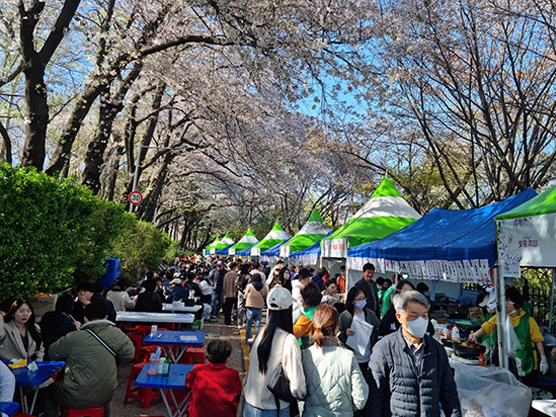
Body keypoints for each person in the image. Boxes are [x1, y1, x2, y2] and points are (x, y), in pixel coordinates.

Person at [368, 291, 462, 417]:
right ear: (399, 317)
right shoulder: (384, 349)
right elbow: (375, 397)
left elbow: (449, 394)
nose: (421, 321)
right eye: (414, 316)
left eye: (424, 316)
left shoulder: (437, 350)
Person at [43, 302, 135, 417]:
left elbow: (52, 353)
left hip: (75, 396)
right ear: (106, 317)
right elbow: (129, 355)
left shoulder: (74, 337)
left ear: (85, 319)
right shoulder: (117, 334)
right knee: (101, 390)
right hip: (106, 394)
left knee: (48, 392)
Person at [243, 287, 307, 416]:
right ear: (288, 310)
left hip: (250, 405)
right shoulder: (288, 340)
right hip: (274, 408)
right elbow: (297, 386)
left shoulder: (261, 333)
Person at [301, 304, 368, 416]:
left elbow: (299, 392)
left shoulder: (305, 355)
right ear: (336, 326)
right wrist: (346, 408)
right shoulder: (348, 356)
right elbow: (360, 397)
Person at [470, 286, 547, 383]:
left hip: (527, 361)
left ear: (517, 304)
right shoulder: (501, 317)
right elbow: (487, 327)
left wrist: (543, 359)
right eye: (504, 303)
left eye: (508, 303)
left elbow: (538, 340)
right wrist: (476, 335)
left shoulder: (529, 321)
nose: (505, 306)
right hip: (507, 361)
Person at [338, 286, 379, 414]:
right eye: (358, 299)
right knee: (355, 390)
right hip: (352, 358)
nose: (362, 301)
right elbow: (338, 335)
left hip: (368, 357)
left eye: (363, 298)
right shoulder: (345, 316)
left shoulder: (370, 314)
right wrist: (345, 334)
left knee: (367, 388)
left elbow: (378, 329)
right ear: (352, 301)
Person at [185, 339, 242, 417]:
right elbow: (240, 395)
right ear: (227, 358)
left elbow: (187, 383)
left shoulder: (198, 371)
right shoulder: (233, 375)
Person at [40, 294, 80, 360]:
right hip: (58, 353)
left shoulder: (47, 315)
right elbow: (74, 338)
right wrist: (76, 327)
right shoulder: (67, 323)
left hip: (44, 349)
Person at [293, 282, 322, 349]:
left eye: (302, 298)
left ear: (307, 300)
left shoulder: (306, 317)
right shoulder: (321, 311)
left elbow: (293, 333)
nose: (300, 301)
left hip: (308, 352)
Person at [244, 272, 268, 342]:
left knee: (249, 324)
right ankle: (257, 339)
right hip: (259, 307)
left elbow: (245, 295)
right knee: (257, 324)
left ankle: (248, 338)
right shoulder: (263, 287)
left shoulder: (249, 286)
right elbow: (265, 296)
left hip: (250, 306)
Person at [236, 264, 251, 329]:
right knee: (247, 307)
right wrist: (245, 292)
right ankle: (246, 321)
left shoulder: (239, 276)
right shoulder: (250, 276)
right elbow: (249, 285)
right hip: (248, 293)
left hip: (240, 293)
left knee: (240, 308)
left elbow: (236, 284)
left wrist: (241, 291)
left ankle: (239, 323)